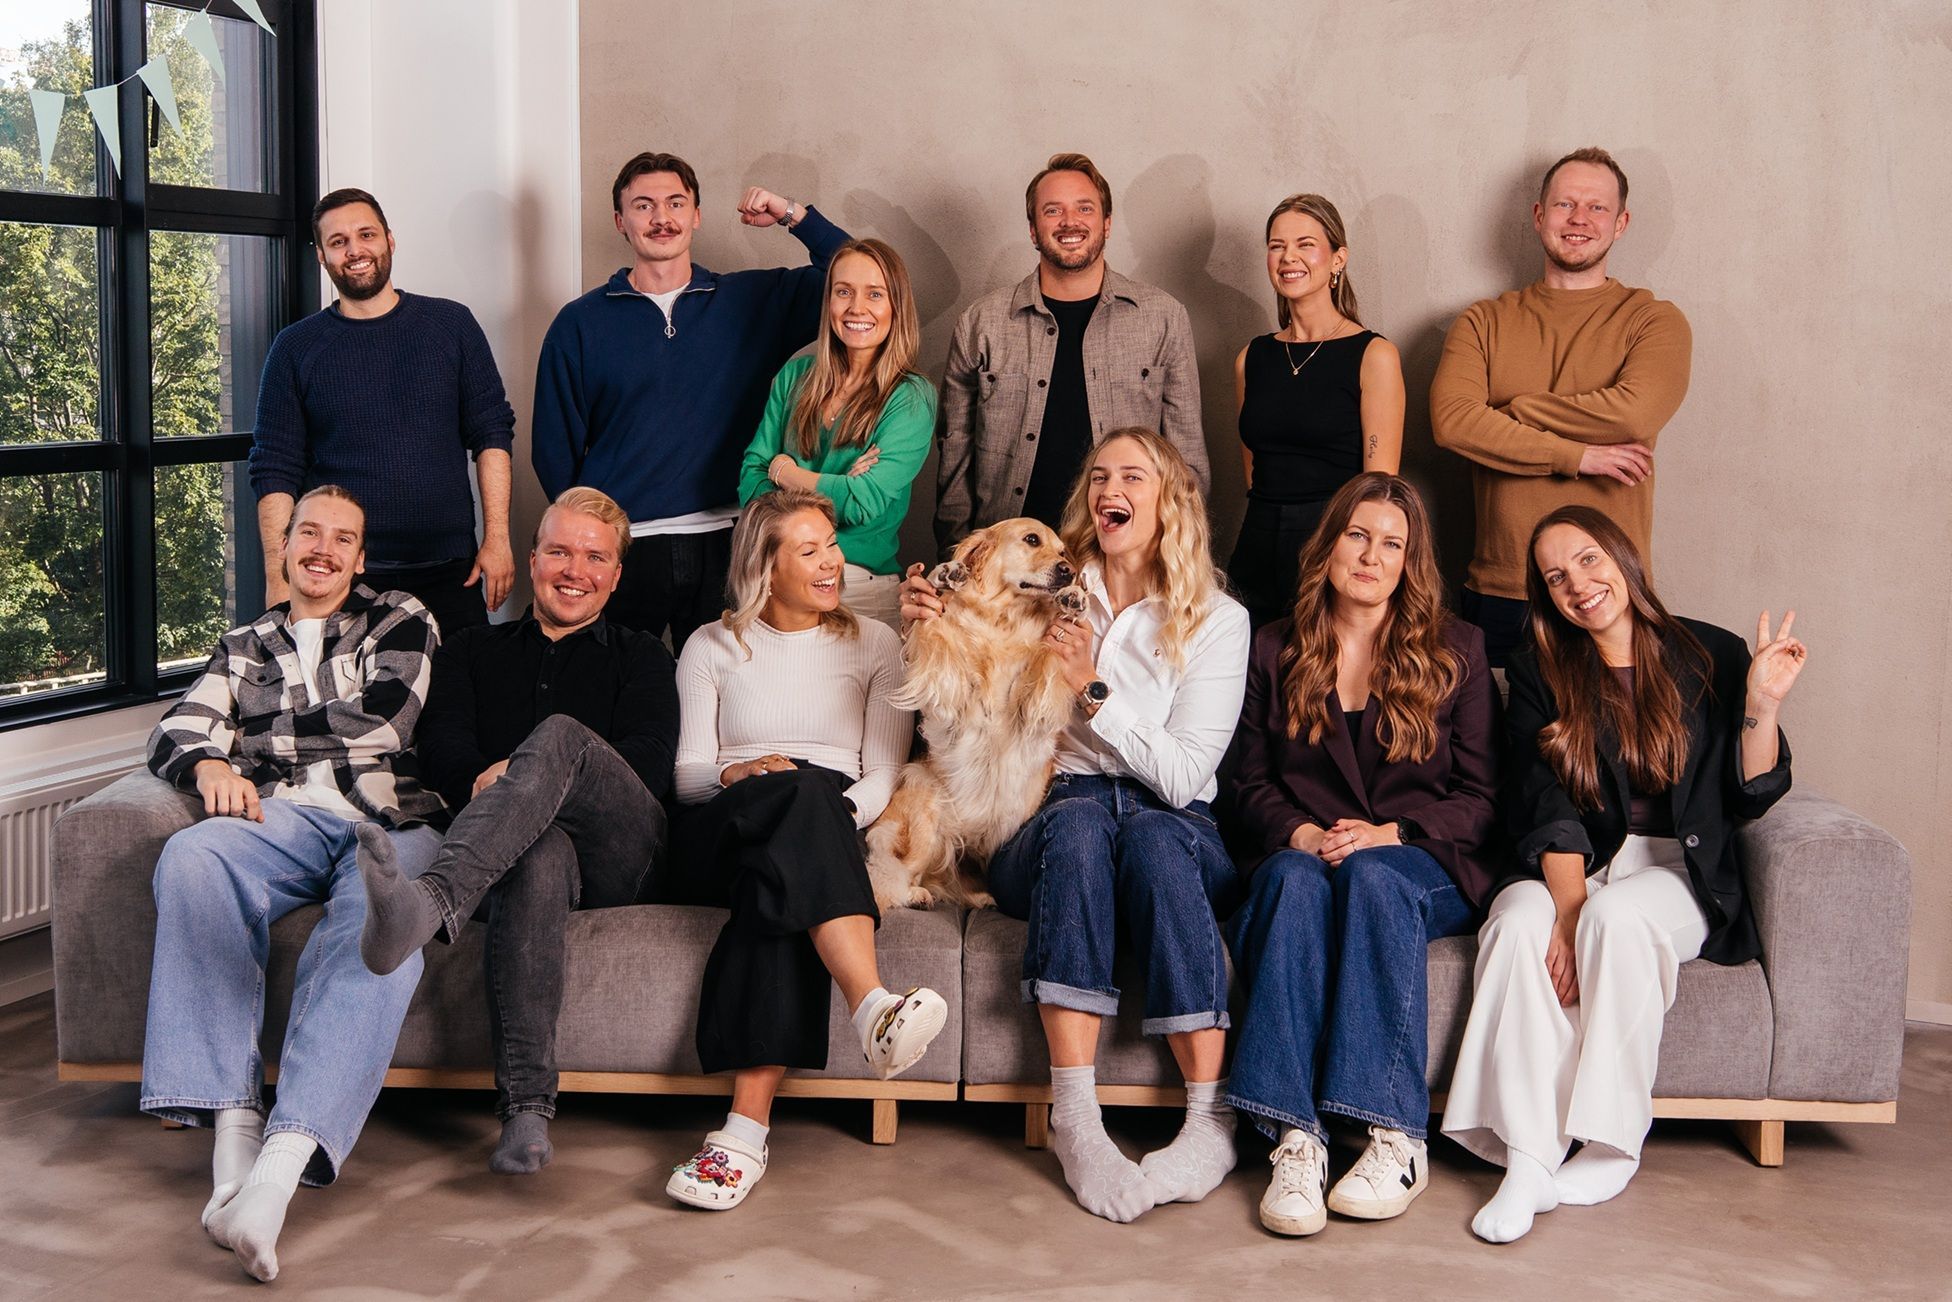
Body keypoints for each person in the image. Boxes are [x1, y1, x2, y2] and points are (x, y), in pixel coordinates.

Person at [905, 427, 1250, 1223]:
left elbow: (1181, 778)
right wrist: (925, 609)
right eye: (1098, 476)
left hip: (1175, 820)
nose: (1108, 490)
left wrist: (1092, 688)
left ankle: (1209, 1121)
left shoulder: (1217, 620)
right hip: (1062, 813)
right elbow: (964, 630)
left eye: (1132, 477)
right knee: (1083, 825)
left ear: (1171, 501)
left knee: (1155, 837)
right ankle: (1077, 1118)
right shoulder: (1051, 581)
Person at [1442, 505, 1805, 1244]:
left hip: (1677, 868)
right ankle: (1529, 1157)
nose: (1578, 584)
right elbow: (1545, 801)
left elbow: (1750, 795)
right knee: (1514, 924)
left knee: (1617, 920)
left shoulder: (1712, 652)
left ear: (1620, 554)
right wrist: (1569, 910)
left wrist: (1761, 705)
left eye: (1587, 559)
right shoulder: (1541, 669)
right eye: (1555, 577)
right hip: (1574, 862)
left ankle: (1611, 1145)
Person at [138, 485, 445, 1284]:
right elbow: (176, 728)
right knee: (193, 857)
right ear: (284, 545)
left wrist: (245, 743)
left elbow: (384, 723)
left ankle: (274, 1180)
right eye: (310, 532)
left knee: (379, 920)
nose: (323, 549)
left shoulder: (400, 617)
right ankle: (233, 1143)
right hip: (282, 820)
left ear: (360, 559)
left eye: (343, 538)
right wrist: (207, 764)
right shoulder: (243, 644)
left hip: (389, 821)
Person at [354, 487, 678, 1175]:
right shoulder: (470, 649)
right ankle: (526, 1110)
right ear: (532, 561)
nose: (575, 570)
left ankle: (431, 901)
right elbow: (442, 748)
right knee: (538, 852)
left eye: (595, 557)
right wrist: (505, 786)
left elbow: (650, 763)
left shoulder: (644, 655)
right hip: (517, 857)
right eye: (559, 551)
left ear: (616, 575)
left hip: (623, 855)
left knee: (560, 736)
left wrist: (532, 771)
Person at [1224, 472, 1499, 1237]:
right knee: (1290, 881)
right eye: (1358, 536)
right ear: (1330, 544)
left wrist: (1393, 834)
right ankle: (1295, 1138)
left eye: (1392, 544)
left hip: (1421, 861)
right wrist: (1302, 835)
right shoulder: (1275, 646)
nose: (1372, 557)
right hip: (1310, 853)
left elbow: (1481, 799)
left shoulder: (1459, 649)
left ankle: (1395, 1136)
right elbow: (1247, 782)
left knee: (1375, 877)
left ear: (1410, 562)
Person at [662, 489, 948, 1210]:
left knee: (786, 873)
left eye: (833, 544)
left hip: (827, 817)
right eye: (810, 550)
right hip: (725, 823)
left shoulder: (876, 644)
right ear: (765, 565)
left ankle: (741, 1135)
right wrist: (740, 774)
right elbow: (689, 778)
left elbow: (883, 773)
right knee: (796, 803)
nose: (832, 562)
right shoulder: (710, 645)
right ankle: (871, 1006)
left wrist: (821, 817)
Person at [532, 151, 851, 650]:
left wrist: (793, 215)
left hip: (731, 542)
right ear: (620, 221)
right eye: (643, 206)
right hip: (625, 545)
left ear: (696, 215)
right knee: (615, 684)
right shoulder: (580, 323)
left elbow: (860, 276)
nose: (662, 218)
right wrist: (591, 542)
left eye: (676, 203)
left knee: (729, 685)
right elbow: (554, 450)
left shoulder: (749, 301)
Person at [1429, 147, 1692, 667]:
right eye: (1565, 204)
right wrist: (1579, 456)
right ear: (1538, 215)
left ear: (1620, 223)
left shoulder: (1654, 320)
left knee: (1615, 725)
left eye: (1597, 207)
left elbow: (1633, 414)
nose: (1579, 219)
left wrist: (1511, 410)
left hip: (1608, 590)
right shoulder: (1483, 321)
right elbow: (1452, 421)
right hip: (1500, 589)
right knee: (1495, 724)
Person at [250, 188, 517, 637]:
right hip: (341, 573)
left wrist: (497, 539)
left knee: (460, 682)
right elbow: (275, 467)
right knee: (344, 686)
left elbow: (492, 434)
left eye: (366, 235)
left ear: (390, 240)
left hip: (450, 570)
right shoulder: (295, 348)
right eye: (338, 242)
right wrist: (278, 578)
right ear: (322, 256)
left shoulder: (451, 325)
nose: (355, 250)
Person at [934, 153, 1209, 554]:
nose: (1069, 222)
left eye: (1084, 208)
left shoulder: (1163, 318)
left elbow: (1186, 457)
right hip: (1011, 564)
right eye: (1053, 210)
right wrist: (958, 559)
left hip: (1123, 559)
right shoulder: (981, 323)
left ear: (1107, 223)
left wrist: (1177, 556)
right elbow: (955, 457)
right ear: (1033, 230)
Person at [738, 238, 936, 628]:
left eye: (875, 294)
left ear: (896, 306)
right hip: (777, 582)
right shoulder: (794, 376)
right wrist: (839, 485)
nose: (856, 308)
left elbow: (863, 502)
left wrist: (784, 473)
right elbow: (749, 484)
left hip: (858, 588)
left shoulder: (910, 396)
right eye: (843, 292)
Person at [1230, 195, 1405, 627]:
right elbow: (1254, 473)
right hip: (1256, 545)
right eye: (1277, 246)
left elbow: (1379, 490)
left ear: (1337, 259)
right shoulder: (1251, 357)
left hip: (1332, 546)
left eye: (1305, 244)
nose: (1288, 257)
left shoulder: (1374, 355)